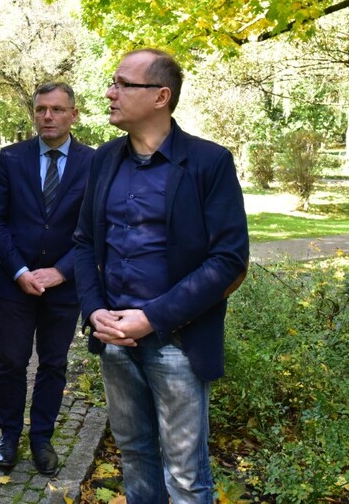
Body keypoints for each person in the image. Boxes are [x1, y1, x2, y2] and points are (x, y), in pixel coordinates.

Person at [73, 49, 250, 504]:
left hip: (178, 342)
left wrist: (151, 318)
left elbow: (229, 260)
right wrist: (94, 310)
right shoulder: (103, 159)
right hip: (115, 337)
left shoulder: (209, 162)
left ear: (160, 96)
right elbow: (85, 243)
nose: (110, 93)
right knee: (134, 455)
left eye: (122, 84)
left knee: (186, 474)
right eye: (112, 83)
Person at [0, 82, 94, 476]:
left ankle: (42, 438)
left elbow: (96, 228)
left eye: (57, 109)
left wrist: (62, 271)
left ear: (73, 114)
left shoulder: (94, 163)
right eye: (41, 109)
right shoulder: (12, 158)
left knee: (54, 363)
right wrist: (19, 271)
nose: (48, 116)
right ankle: (8, 436)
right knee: (12, 362)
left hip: (65, 287)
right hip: (15, 283)